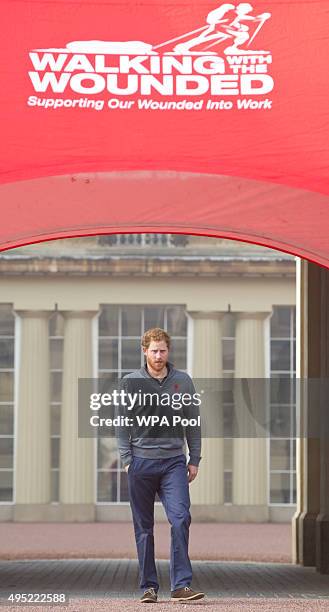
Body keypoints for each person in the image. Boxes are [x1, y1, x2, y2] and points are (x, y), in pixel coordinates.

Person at [115, 327, 204, 603]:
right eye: (153, 350)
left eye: (162, 350)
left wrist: (194, 459)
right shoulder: (129, 383)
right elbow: (121, 424)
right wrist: (128, 461)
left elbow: (193, 422)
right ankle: (149, 587)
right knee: (144, 527)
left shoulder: (183, 381)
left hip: (173, 464)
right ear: (144, 351)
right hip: (141, 463)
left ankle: (180, 585)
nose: (158, 355)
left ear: (169, 351)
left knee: (180, 519)